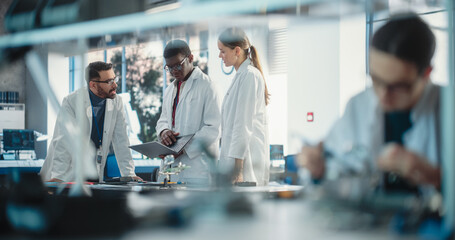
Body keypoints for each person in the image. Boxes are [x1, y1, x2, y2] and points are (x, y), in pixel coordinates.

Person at [298, 13, 441, 194]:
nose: (382, 94)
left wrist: (436, 177)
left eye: (396, 86)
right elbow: (337, 170)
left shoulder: (446, 109)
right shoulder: (359, 105)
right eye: (376, 79)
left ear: (426, 74)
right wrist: (319, 168)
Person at [40, 61, 142, 182]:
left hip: (93, 170)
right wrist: (58, 177)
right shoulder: (72, 101)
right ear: (93, 85)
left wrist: (129, 173)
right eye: (109, 81)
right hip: (67, 170)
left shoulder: (117, 102)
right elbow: (63, 142)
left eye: (114, 79)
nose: (115, 85)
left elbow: (121, 140)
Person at [156, 39, 221, 185]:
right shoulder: (169, 90)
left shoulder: (207, 86)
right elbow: (163, 120)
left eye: (178, 65)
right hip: (170, 167)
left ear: (191, 58)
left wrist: (184, 149)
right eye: (169, 67)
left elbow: (214, 128)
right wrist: (164, 132)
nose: (174, 71)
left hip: (197, 169)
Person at [217, 27, 270, 186]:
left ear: (237, 51)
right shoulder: (242, 75)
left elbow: (243, 125)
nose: (220, 56)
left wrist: (237, 171)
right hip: (236, 161)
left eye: (223, 51)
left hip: (246, 166)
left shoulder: (249, 75)